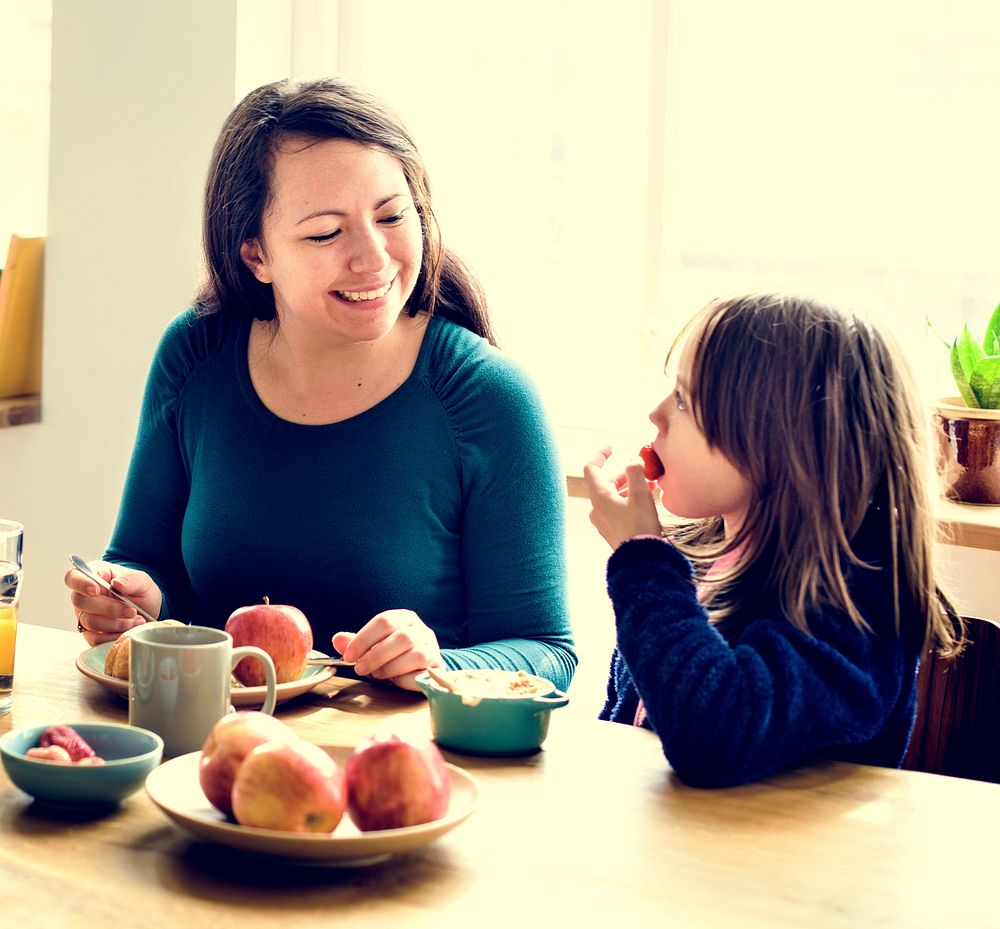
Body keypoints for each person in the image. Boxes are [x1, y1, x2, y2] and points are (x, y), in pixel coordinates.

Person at [65, 77, 576, 692]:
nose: (374, 258)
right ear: (256, 255)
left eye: (392, 216)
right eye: (326, 233)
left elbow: (547, 652)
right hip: (205, 753)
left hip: (404, 766)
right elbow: (147, 566)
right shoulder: (196, 355)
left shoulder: (488, 398)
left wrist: (439, 661)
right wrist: (128, 596)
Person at [583, 292, 964, 787]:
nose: (656, 413)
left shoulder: (857, 604)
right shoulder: (693, 560)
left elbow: (715, 735)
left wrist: (641, 562)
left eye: (683, 399)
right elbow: (631, 721)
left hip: (783, 860)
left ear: (779, 443)